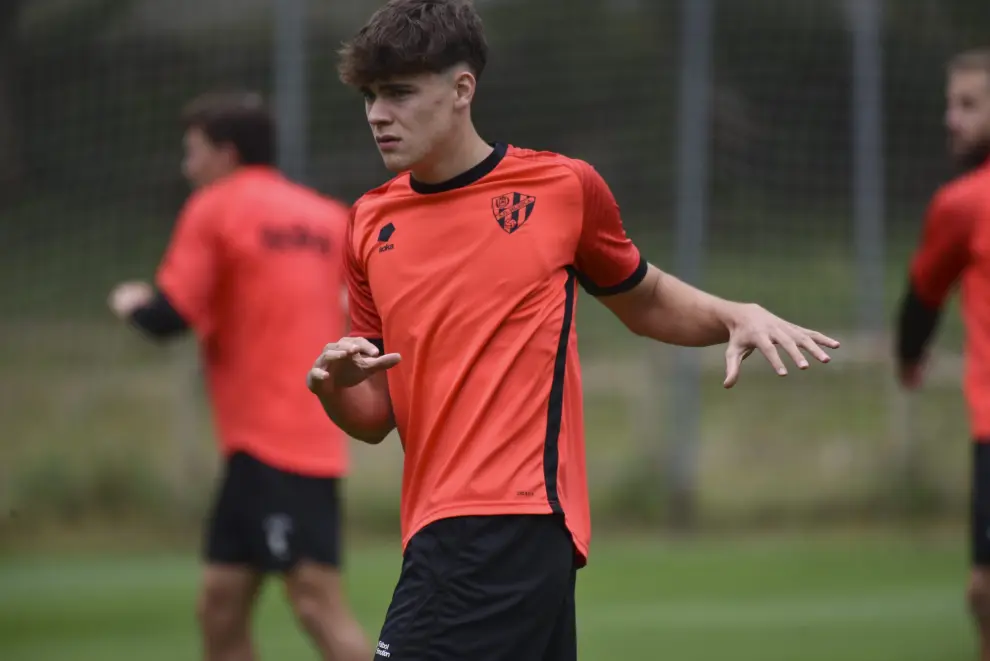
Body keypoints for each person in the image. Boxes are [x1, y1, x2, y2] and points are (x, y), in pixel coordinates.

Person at [307, 2, 840, 659]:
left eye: (398, 92)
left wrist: (735, 312)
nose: (377, 115)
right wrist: (333, 385)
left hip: (510, 515)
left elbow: (642, 296)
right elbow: (375, 413)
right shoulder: (367, 224)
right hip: (442, 525)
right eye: (369, 96)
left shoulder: (561, 188)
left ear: (462, 89)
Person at [107, 91, 370, 661]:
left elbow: (168, 317)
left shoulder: (216, 206)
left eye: (193, 152)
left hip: (275, 443)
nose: (187, 166)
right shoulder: (329, 217)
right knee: (220, 605)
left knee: (316, 604)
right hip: (295, 436)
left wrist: (130, 302)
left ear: (225, 153)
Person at [895, 48, 990, 661]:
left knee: (986, 590)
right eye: (949, 104)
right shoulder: (962, 204)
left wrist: (910, 357)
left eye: (969, 105)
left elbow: (920, 302)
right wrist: (910, 355)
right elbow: (924, 295)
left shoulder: (964, 203)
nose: (951, 118)